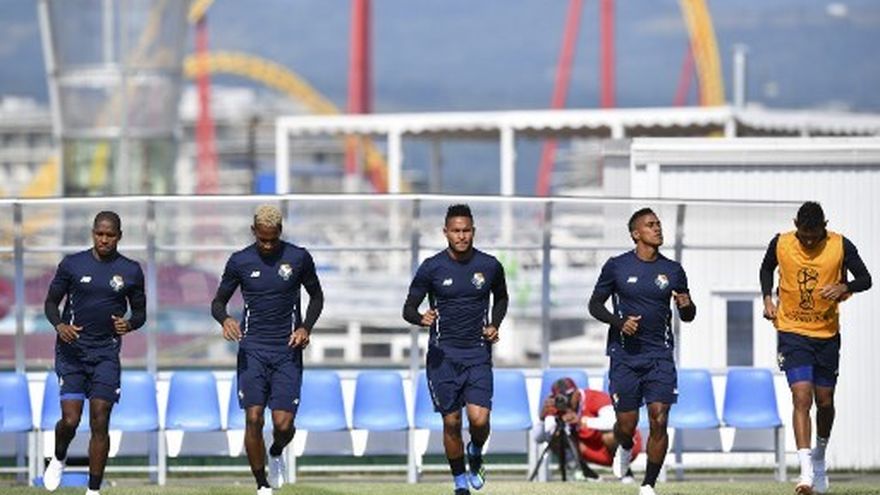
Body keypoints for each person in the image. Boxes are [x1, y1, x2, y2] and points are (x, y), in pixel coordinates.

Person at [211, 204, 324, 495]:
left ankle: (276, 451)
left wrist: (306, 327)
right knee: (253, 418)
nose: (268, 245)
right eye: (262, 239)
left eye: (273, 239)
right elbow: (218, 302)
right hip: (253, 350)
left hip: (287, 351)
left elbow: (316, 297)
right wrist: (225, 319)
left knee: (283, 425)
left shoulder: (298, 257)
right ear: (254, 231)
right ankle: (262, 484)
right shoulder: (240, 261)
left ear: (280, 231)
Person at [760, 201, 871, 495]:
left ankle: (820, 457)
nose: (809, 241)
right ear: (796, 225)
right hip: (792, 332)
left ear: (825, 226)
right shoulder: (781, 243)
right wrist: (767, 299)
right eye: (804, 235)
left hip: (826, 335)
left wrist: (845, 287)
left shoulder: (840, 245)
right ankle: (806, 472)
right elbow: (766, 268)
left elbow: (866, 279)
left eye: (815, 236)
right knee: (801, 396)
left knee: (825, 401)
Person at [588, 207, 696, 495]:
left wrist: (686, 305)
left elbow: (688, 315)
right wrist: (619, 322)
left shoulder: (673, 270)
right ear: (636, 234)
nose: (657, 228)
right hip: (624, 357)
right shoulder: (616, 266)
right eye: (650, 225)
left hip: (659, 356)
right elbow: (594, 305)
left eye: (658, 224)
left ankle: (648, 484)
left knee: (659, 418)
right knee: (627, 424)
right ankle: (624, 446)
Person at [402, 204, 508, 495]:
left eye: (466, 231)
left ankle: (476, 450)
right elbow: (408, 308)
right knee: (451, 422)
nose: (461, 236)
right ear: (446, 232)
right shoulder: (431, 267)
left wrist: (494, 324)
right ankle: (460, 481)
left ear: (473, 231)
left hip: (477, 354)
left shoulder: (489, 265)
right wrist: (420, 318)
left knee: (479, 420)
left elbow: (501, 298)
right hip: (443, 357)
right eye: (456, 231)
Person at [42, 211, 146, 495]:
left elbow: (140, 313)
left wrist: (130, 324)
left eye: (110, 235)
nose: (104, 239)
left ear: (119, 236)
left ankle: (93, 490)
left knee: (100, 419)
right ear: (93, 233)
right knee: (71, 420)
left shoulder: (131, 270)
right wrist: (60, 325)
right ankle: (59, 457)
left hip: (106, 354)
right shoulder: (72, 264)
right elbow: (50, 303)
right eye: (100, 234)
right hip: (72, 353)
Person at [535, 377, 642, 481]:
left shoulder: (595, 398)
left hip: (627, 447)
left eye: (569, 396)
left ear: (577, 393)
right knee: (557, 439)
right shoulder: (556, 406)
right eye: (561, 397)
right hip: (591, 449)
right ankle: (586, 474)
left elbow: (615, 422)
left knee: (610, 436)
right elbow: (539, 438)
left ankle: (625, 472)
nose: (566, 401)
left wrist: (582, 421)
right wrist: (542, 419)